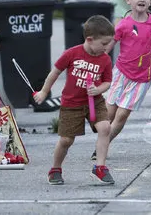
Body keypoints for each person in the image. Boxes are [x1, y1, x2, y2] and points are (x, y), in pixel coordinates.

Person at [90, 0, 151, 161]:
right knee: (109, 112)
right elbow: (109, 47)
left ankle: (103, 145)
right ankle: (101, 138)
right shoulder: (123, 24)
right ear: (128, 0)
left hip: (143, 77)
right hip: (121, 73)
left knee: (121, 115)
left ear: (150, 1)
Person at [34, 15, 116, 185]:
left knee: (105, 127)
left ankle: (100, 167)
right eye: (104, 43)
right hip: (72, 103)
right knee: (66, 140)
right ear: (89, 39)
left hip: (95, 101)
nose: (107, 47)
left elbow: (108, 81)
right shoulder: (72, 53)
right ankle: (55, 169)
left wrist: (98, 89)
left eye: (108, 43)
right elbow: (54, 72)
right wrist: (43, 92)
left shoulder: (105, 59)